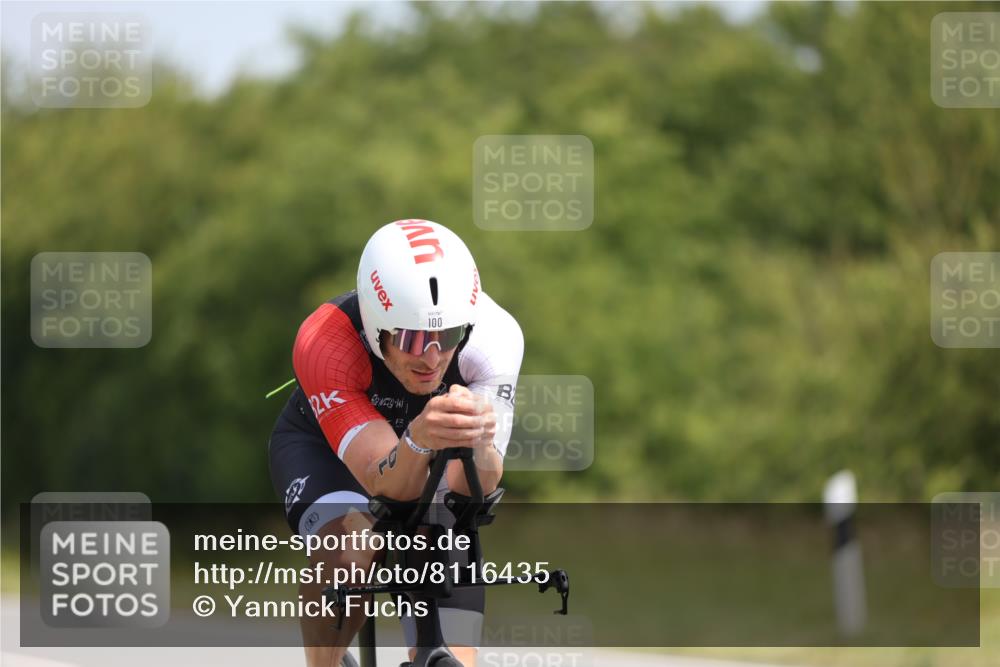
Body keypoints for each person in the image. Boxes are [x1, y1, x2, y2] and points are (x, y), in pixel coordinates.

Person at [268, 219, 523, 667]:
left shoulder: (495, 338)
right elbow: (385, 485)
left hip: (426, 452)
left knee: (443, 546)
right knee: (349, 543)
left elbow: (470, 491)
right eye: (412, 338)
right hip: (327, 452)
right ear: (375, 322)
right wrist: (419, 440)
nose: (432, 358)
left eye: (447, 338)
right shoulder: (326, 341)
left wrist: (480, 442)